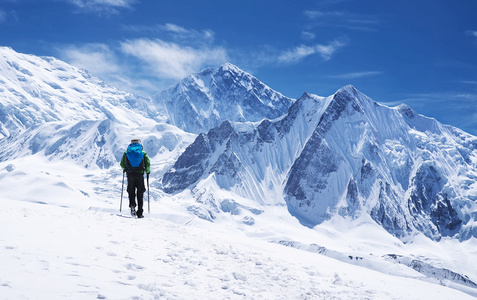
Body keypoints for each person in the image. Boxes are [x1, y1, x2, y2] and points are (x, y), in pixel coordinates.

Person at [120, 138, 150, 218]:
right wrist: (147, 171)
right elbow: (147, 163)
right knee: (140, 193)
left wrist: (126, 169)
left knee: (131, 191)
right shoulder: (143, 153)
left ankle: (132, 206)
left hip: (130, 175)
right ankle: (140, 212)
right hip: (139, 175)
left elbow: (122, 164)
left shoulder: (127, 153)